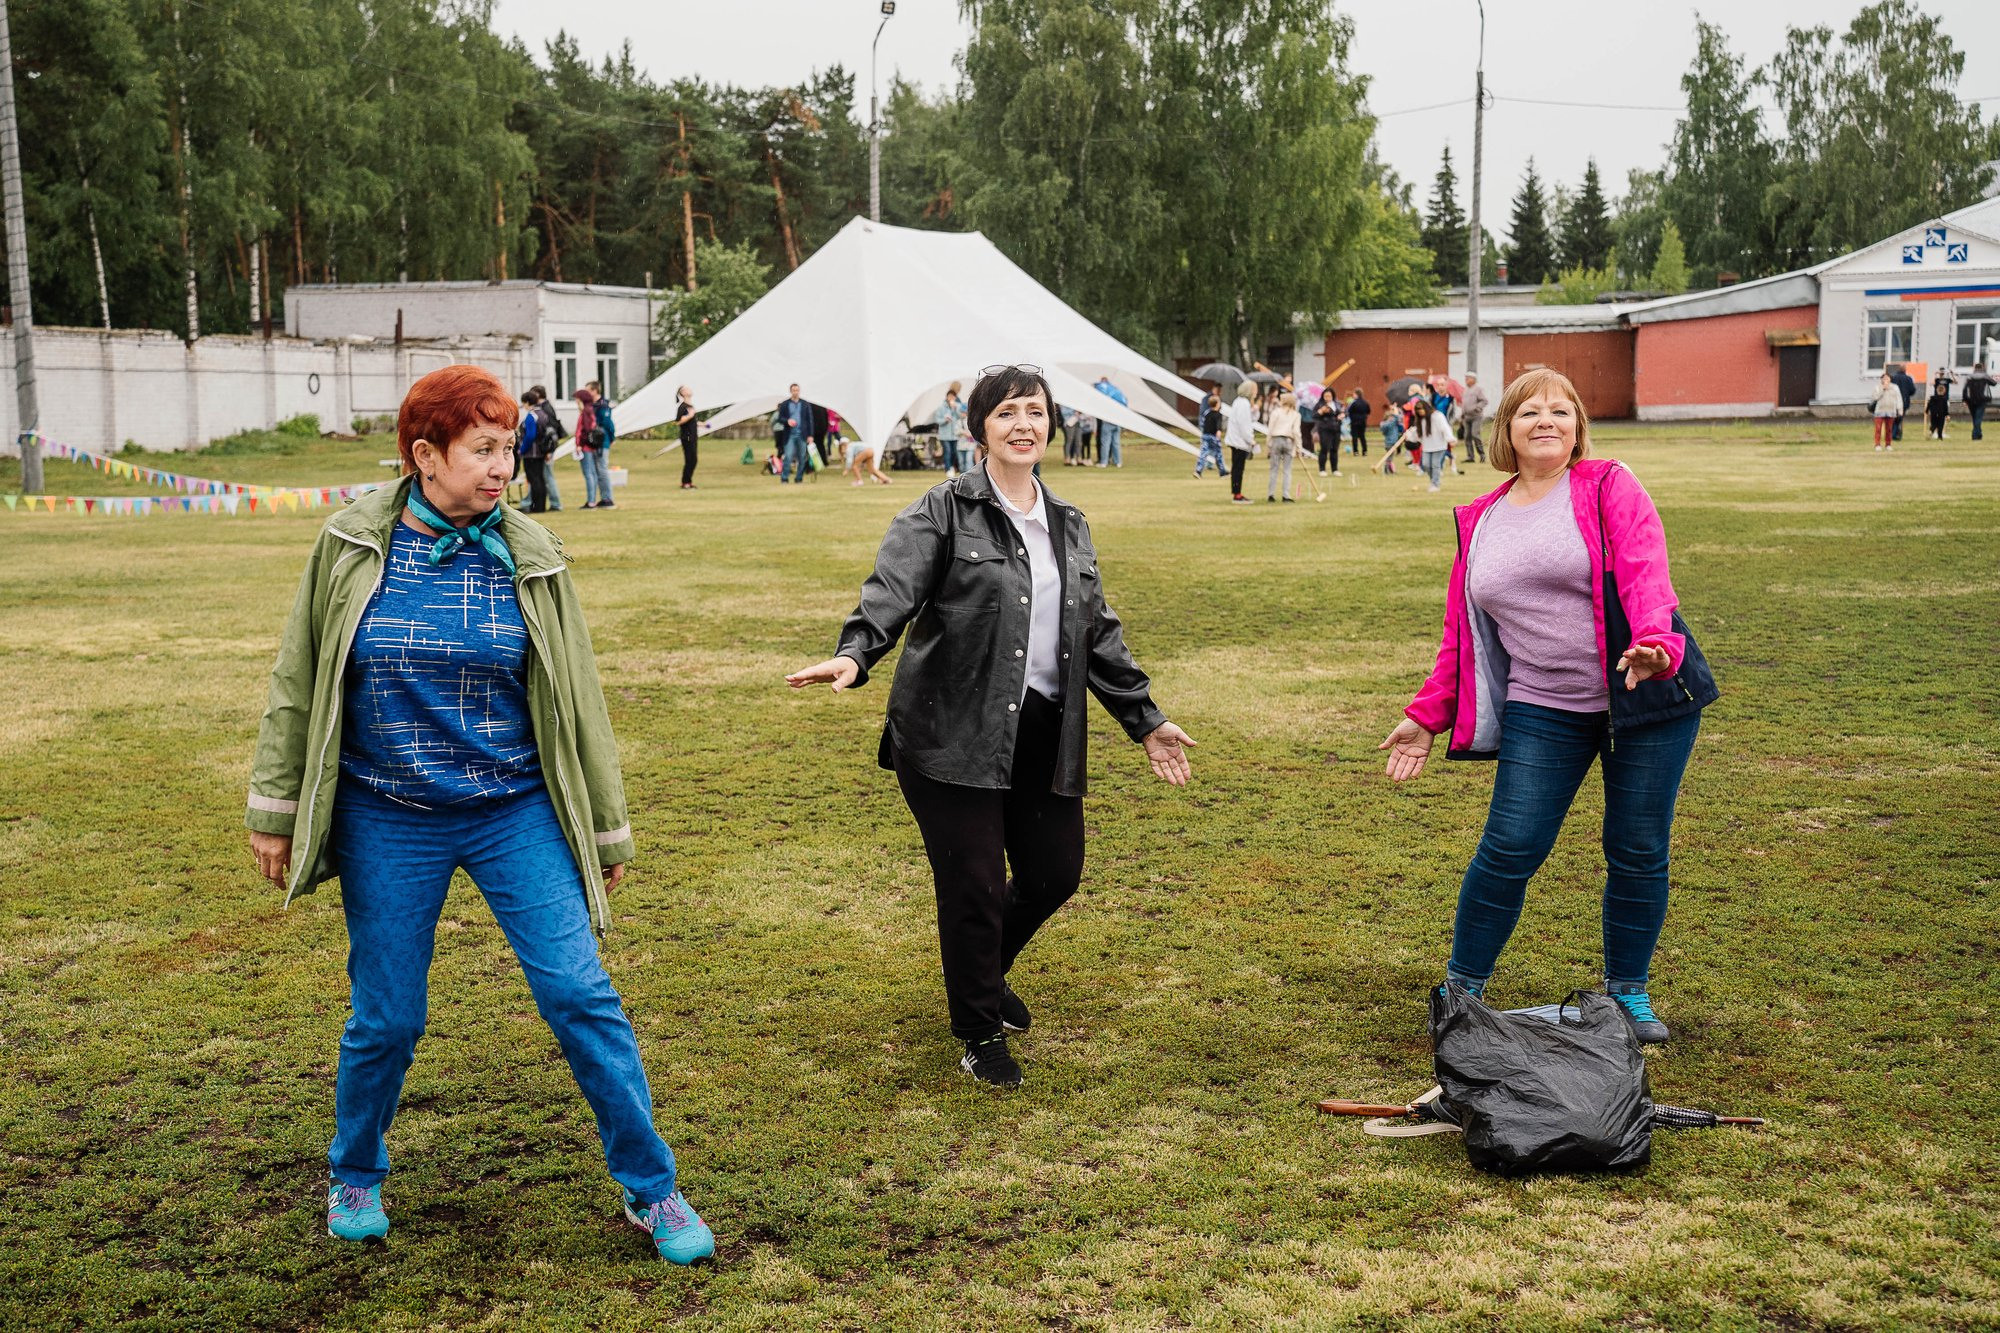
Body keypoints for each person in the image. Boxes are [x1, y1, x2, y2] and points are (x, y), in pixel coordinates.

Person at [244, 364, 714, 1263]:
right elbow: (298, 677)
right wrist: (272, 807)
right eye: (484, 450)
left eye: (509, 448)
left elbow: (578, 695)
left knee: (581, 992)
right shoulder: (349, 544)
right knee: (388, 1016)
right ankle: (355, 1167)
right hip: (389, 813)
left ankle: (652, 1187)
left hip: (514, 809)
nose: (504, 466)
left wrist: (603, 825)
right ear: (426, 456)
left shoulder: (533, 552)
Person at [784, 364, 1196, 1088]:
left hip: (1041, 725)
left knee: (1053, 872)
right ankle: (978, 1028)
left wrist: (1146, 719)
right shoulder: (939, 511)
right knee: (973, 882)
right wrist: (856, 655)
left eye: (1034, 411)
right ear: (979, 430)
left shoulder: (1068, 524)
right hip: (948, 730)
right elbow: (891, 592)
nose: (1023, 424)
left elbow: (1096, 630)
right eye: (1006, 412)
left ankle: (980, 969)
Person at [1378, 366, 1716, 1045]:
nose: (1548, 420)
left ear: (1578, 430)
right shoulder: (1481, 519)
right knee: (1510, 844)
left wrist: (1657, 643)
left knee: (1636, 846)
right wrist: (1426, 713)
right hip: (1544, 705)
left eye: (1563, 411)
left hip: (1646, 696)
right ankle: (1462, 989)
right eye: (1531, 410)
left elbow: (1648, 572)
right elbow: (1464, 632)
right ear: (1505, 428)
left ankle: (1629, 992)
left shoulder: (1608, 485)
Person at [573, 387, 614, 509]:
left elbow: (585, 430)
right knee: (593, 473)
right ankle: (596, 499)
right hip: (588, 447)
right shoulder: (589, 410)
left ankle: (592, 501)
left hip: (585, 447)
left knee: (590, 473)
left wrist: (580, 444)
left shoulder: (586, 412)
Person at [527, 387, 565, 511]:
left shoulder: (545, 409)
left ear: (538, 395)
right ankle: (531, 501)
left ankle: (555, 503)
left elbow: (550, 432)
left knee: (547, 475)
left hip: (546, 448)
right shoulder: (546, 407)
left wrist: (548, 451)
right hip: (545, 448)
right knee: (542, 476)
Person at [1225, 381, 1258, 504]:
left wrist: (1254, 409)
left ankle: (1237, 493)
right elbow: (1244, 424)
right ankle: (1237, 495)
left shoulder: (1240, 402)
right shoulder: (1243, 404)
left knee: (1237, 468)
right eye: (1254, 390)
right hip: (1239, 441)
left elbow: (1252, 418)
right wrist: (1251, 440)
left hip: (1236, 440)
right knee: (1238, 469)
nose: (1256, 392)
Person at [517, 390, 550, 512]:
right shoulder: (543, 413)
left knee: (533, 479)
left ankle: (536, 506)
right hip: (541, 451)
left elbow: (530, 436)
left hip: (531, 453)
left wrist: (522, 449)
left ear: (527, 402)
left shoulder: (532, 416)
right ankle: (541, 505)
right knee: (540, 479)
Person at [1266, 390, 1301, 503]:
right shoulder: (1296, 414)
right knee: (1287, 470)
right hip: (1288, 441)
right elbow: (1296, 432)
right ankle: (1286, 495)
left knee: (1274, 469)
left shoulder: (1276, 412)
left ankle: (1271, 494)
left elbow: (1270, 429)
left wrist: (1268, 444)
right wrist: (1299, 447)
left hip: (1276, 439)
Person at [777, 384, 813, 484]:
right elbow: (780, 418)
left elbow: (809, 420)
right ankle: (784, 478)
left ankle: (799, 478)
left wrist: (810, 435)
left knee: (802, 457)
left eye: (797, 390)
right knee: (788, 456)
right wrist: (787, 421)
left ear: (799, 391)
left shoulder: (805, 404)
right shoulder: (785, 404)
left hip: (802, 435)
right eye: (793, 390)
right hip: (790, 435)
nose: (795, 392)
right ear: (790, 391)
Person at [1093, 375, 1128, 467]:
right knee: (1116, 443)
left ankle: (1104, 462)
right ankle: (1118, 462)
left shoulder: (1103, 391)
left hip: (1108, 421)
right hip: (1117, 421)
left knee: (1105, 442)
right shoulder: (1116, 391)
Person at [935, 384, 968, 478]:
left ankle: (953, 467)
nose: (951, 398)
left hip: (955, 434)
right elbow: (938, 420)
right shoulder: (941, 407)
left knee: (954, 452)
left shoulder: (958, 406)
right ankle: (948, 469)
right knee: (947, 451)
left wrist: (955, 408)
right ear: (947, 397)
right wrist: (945, 420)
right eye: (949, 396)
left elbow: (961, 417)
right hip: (944, 435)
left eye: (953, 396)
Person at [674, 386, 700, 489]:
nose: (690, 389)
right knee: (691, 459)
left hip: (693, 436)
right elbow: (678, 421)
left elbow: (691, 421)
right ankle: (685, 483)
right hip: (687, 437)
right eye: (687, 389)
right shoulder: (683, 407)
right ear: (683, 393)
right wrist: (689, 416)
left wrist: (701, 424)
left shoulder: (690, 406)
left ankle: (687, 481)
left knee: (693, 459)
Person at [1195, 392, 1226, 479]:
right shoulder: (1218, 415)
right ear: (1217, 404)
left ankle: (1198, 470)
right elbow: (1218, 425)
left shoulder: (1206, 413)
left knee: (1203, 453)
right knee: (1218, 454)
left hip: (1205, 435)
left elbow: (1204, 424)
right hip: (1213, 437)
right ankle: (1222, 472)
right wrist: (1219, 432)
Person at [1460, 373, 1489, 464]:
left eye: (1467, 378)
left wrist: (1477, 408)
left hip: (1476, 416)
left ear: (1473, 379)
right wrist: (1462, 414)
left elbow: (1484, 401)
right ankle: (1470, 457)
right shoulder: (1465, 390)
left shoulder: (1478, 389)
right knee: (1467, 437)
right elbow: (1464, 404)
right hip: (1466, 417)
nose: (1466, 380)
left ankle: (1482, 455)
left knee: (1475, 435)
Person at [1312, 392, 1342, 476]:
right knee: (1324, 449)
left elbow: (1342, 412)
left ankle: (1335, 469)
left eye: (1329, 396)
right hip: (1324, 429)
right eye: (1325, 396)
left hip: (1336, 429)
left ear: (1333, 396)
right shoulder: (1320, 404)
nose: (1327, 397)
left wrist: (1341, 416)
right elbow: (1314, 415)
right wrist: (1321, 411)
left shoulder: (1337, 404)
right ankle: (1322, 469)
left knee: (1334, 449)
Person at [1872, 372, 1902, 451]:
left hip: (1891, 410)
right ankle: (1877, 444)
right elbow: (1875, 397)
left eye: (1887, 378)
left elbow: (1898, 398)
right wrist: (1883, 389)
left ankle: (1888, 444)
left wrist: (1899, 409)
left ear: (1890, 379)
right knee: (1878, 428)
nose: (1885, 380)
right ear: (1881, 379)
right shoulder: (1878, 387)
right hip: (1880, 410)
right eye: (1884, 378)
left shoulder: (1895, 387)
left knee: (1889, 429)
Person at [1965, 361, 1992, 441]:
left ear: (1974, 368)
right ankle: (1975, 436)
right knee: (1978, 418)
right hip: (1981, 400)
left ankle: (1979, 434)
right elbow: (1994, 383)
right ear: (1982, 368)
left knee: (1975, 418)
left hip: (1971, 400)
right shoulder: (1985, 376)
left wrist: (1964, 399)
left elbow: (1964, 389)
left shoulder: (1969, 377)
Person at [1890, 363, 1916, 442]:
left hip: (1893, 401)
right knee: (1899, 419)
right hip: (1904, 402)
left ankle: (1894, 433)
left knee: (1893, 418)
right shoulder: (1908, 379)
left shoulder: (1893, 378)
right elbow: (1912, 390)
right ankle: (1895, 434)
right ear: (1905, 370)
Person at [1347, 389, 1371, 458]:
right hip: (1363, 422)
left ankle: (1356, 452)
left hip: (1354, 422)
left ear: (1357, 394)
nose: (1353, 396)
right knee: (1362, 437)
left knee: (1354, 437)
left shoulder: (1354, 403)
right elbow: (1368, 411)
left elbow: (1349, 411)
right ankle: (1364, 451)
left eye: (1354, 394)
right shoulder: (1365, 402)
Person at [1925, 376, 1951, 440]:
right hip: (1941, 414)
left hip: (1933, 413)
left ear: (1936, 390)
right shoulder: (1944, 399)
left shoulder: (1932, 398)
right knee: (1940, 425)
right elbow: (1945, 408)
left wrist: (1927, 411)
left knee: (1933, 424)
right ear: (1944, 391)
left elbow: (1929, 405)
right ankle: (1940, 436)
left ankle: (1931, 431)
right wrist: (1947, 415)